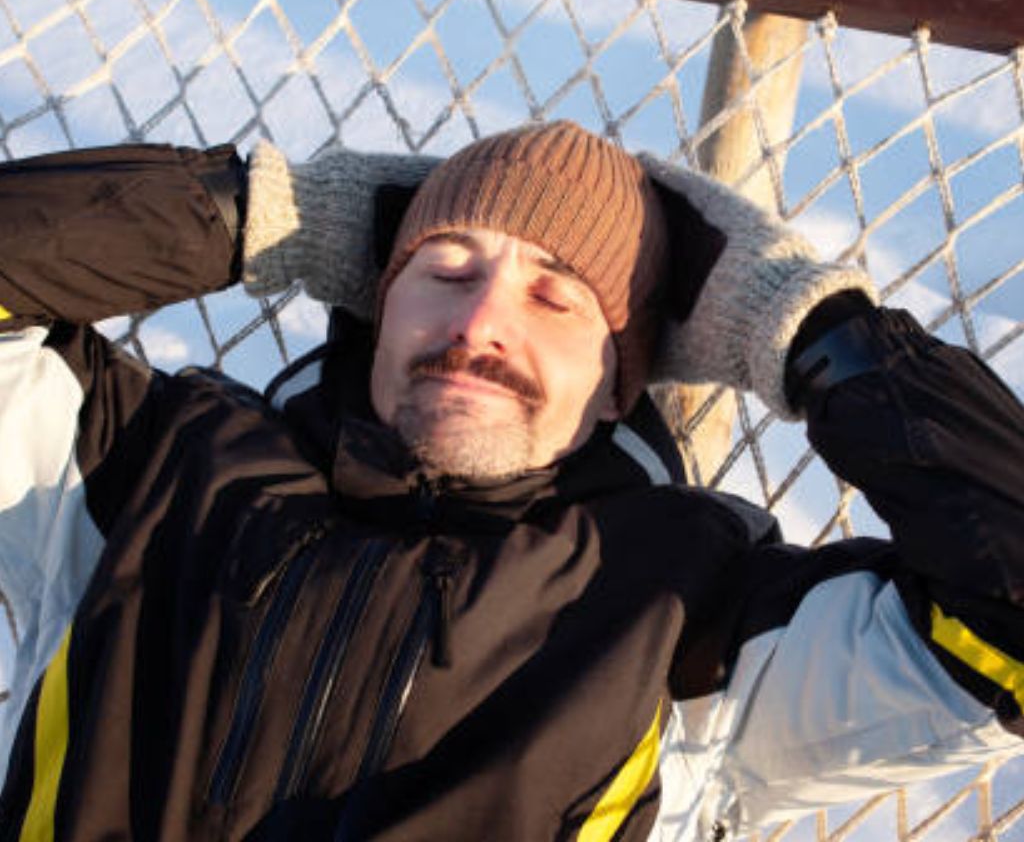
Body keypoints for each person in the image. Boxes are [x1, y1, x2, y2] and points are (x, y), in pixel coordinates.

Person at [0, 121, 1020, 841]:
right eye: (443, 267)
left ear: (620, 383)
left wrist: (806, 332)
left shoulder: (684, 612)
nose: (480, 320)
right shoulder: (149, 470)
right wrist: (261, 212)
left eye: (555, 298)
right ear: (376, 303)